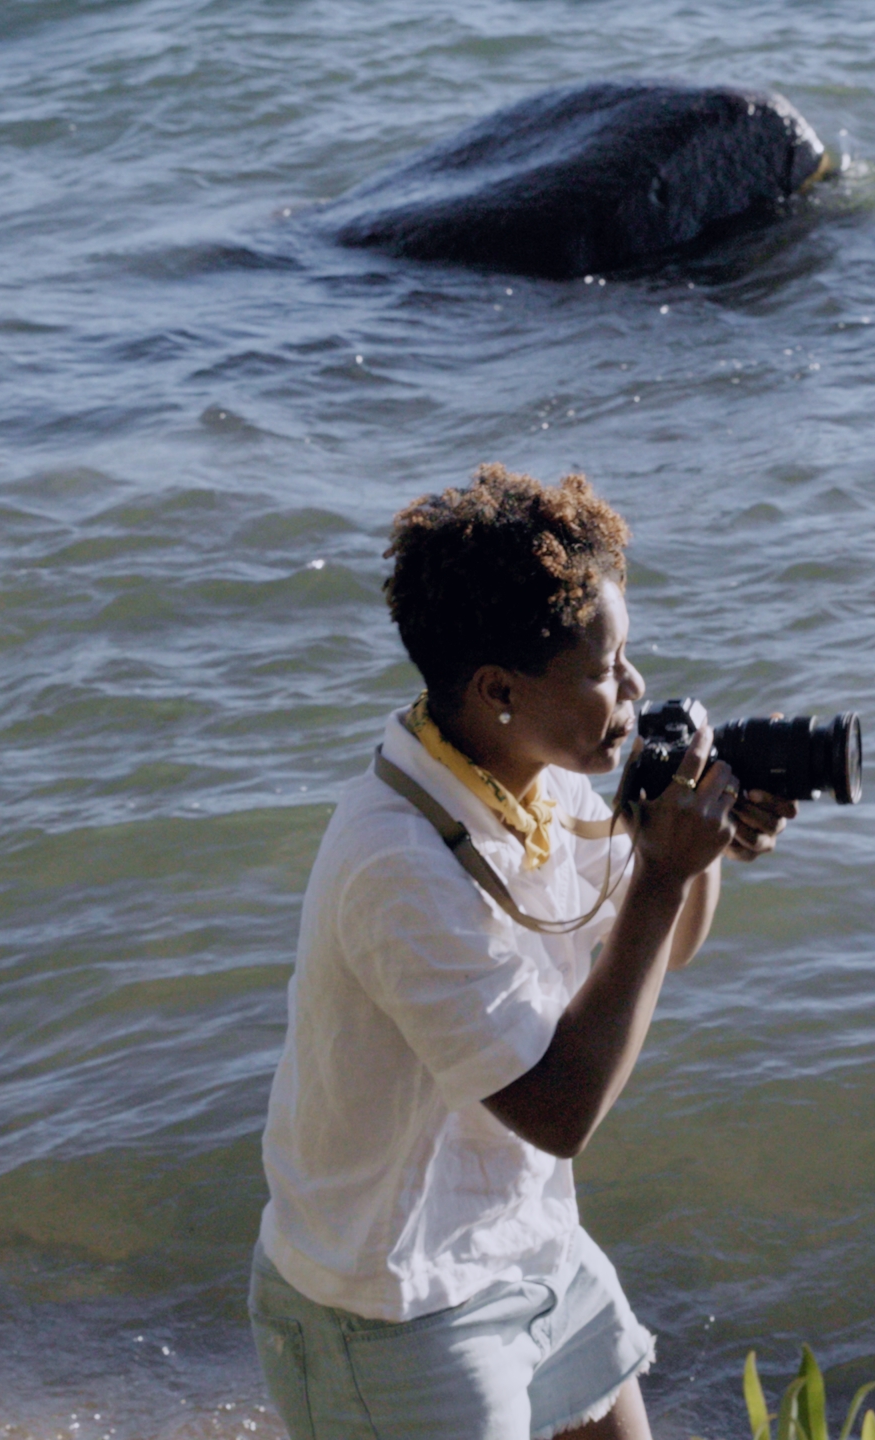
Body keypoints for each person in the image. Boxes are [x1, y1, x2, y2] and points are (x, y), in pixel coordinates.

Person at [253, 465, 795, 1440]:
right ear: (497, 689)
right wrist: (662, 874)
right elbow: (558, 1109)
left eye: (629, 655)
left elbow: (661, 956)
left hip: (525, 1243)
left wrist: (689, 840)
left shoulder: (534, 781)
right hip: (391, 1301)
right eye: (602, 670)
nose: (632, 688)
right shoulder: (398, 862)